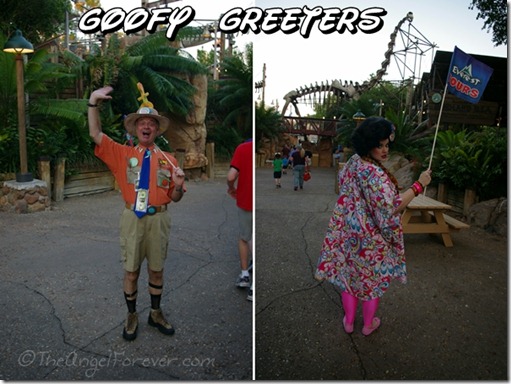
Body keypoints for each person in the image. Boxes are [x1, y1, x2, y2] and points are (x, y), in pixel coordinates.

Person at [315, 117, 432, 336]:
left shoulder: (353, 163)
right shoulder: (376, 174)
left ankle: (349, 321)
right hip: (371, 240)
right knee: (371, 282)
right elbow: (393, 206)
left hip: (349, 233)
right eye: (379, 145)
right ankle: (368, 325)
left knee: (350, 279)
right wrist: (419, 185)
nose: (384, 150)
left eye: (387, 145)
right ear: (369, 144)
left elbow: (344, 186)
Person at [88, 86, 186, 341]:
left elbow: (175, 198)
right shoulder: (123, 154)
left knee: (157, 270)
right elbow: (95, 133)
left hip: (159, 218)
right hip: (132, 218)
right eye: (141, 122)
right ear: (135, 129)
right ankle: (131, 314)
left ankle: (155, 312)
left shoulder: (169, 160)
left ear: (156, 130)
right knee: (131, 271)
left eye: (151, 123)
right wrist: (92, 104)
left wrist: (177, 185)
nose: (146, 126)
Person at [227, 139, 254, 301]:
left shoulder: (243, 148)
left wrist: (231, 188)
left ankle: (245, 276)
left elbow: (231, 175)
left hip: (245, 202)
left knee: (245, 238)